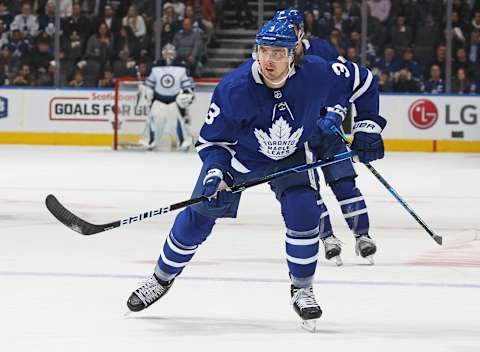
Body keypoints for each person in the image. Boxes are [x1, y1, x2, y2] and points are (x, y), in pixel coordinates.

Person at [126, 19, 386, 330]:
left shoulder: (317, 72)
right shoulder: (234, 88)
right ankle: (161, 279)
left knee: (303, 210)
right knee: (196, 220)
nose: (269, 60)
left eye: (278, 53)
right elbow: (213, 141)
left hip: (290, 154)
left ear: (293, 55)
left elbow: (364, 82)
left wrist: (368, 126)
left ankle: (302, 289)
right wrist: (215, 175)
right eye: (264, 51)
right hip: (241, 157)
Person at [275, 8, 382, 265]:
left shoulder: (321, 49)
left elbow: (347, 81)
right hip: (297, 137)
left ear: (300, 31)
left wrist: (338, 112)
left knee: (344, 181)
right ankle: (327, 237)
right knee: (307, 189)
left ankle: (362, 235)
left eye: (290, 31)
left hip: (328, 131)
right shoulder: (271, 58)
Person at [137, 43, 195, 152]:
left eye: (170, 53)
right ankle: (151, 141)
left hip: (175, 99)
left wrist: (188, 94)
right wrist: (144, 89)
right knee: (153, 119)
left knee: (180, 121)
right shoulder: (156, 66)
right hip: (159, 99)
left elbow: (187, 84)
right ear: (163, 53)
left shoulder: (182, 67)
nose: (168, 55)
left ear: (175, 53)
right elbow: (150, 83)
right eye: (166, 53)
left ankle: (184, 142)